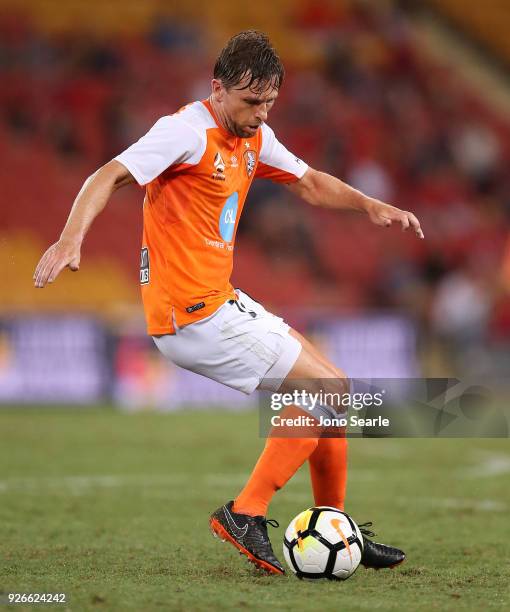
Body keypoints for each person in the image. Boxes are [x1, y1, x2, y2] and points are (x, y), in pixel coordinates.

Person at [34, 30, 424, 575]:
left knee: (337, 389)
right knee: (325, 392)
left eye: (269, 102)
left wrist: (369, 205)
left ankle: (337, 530)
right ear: (217, 88)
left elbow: (308, 181)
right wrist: (72, 237)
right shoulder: (185, 132)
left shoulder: (255, 136)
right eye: (250, 102)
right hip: (189, 314)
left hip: (221, 301)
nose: (261, 113)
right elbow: (110, 174)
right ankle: (246, 512)